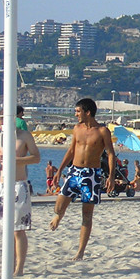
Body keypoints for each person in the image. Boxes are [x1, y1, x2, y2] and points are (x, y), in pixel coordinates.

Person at [49, 98, 116, 261]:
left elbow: (111, 154)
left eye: (78, 111)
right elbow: (71, 150)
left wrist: (111, 177)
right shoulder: (77, 129)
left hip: (91, 175)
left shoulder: (102, 131)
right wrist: (60, 170)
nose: (75, 114)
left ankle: (80, 252)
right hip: (74, 172)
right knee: (59, 205)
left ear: (88, 112)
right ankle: (59, 215)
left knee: (86, 215)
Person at [0, 121, 41, 275]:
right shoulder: (0, 137)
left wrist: (16, 160)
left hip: (19, 184)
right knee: (6, 229)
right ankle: (9, 266)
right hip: (3, 185)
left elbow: (36, 157)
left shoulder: (24, 136)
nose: (2, 126)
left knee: (18, 229)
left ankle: (19, 268)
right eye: (0, 124)